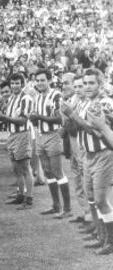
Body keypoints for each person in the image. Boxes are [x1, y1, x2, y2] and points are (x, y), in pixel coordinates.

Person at [61, 68, 113, 255]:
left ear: (100, 84)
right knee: (91, 198)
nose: (88, 87)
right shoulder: (85, 102)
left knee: (100, 199)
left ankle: (110, 241)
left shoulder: (104, 102)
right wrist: (68, 117)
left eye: (92, 83)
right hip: (87, 154)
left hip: (102, 154)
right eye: (85, 83)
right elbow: (75, 129)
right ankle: (101, 236)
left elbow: (95, 130)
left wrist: (72, 115)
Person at [29, 69, 72, 218]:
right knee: (47, 171)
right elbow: (36, 118)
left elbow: (59, 118)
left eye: (42, 80)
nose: (40, 83)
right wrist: (32, 118)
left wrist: (38, 116)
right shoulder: (37, 97)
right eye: (38, 80)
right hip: (41, 136)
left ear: (49, 80)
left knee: (57, 171)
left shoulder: (56, 95)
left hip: (53, 135)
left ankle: (67, 209)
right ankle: (56, 205)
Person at [0, 73, 34, 209]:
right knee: (16, 168)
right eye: (13, 83)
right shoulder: (12, 98)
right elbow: (10, 117)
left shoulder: (25, 98)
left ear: (22, 84)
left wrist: (4, 117)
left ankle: (29, 199)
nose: (15, 86)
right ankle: (21, 195)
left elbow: (23, 120)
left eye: (17, 83)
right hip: (12, 135)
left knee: (25, 168)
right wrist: (0, 117)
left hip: (22, 134)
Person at [60, 73, 91, 224]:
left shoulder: (80, 102)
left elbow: (75, 128)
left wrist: (67, 120)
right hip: (73, 146)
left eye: (67, 83)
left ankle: (91, 217)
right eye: (63, 83)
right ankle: (87, 214)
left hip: (81, 146)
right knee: (78, 181)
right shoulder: (70, 102)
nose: (64, 86)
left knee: (85, 182)